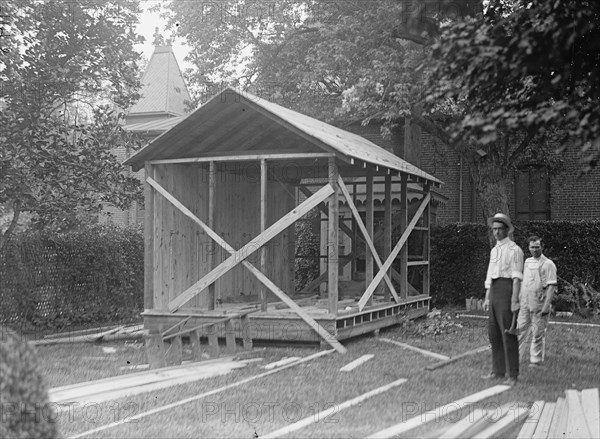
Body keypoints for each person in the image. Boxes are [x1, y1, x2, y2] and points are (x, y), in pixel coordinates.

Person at [482, 213, 524, 386]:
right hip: (494, 292)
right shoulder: (494, 250)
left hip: (507, 291)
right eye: (494, 230)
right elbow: (490, 276)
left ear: (507, 230)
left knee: (508, 333)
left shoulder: (515, 250)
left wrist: (514, 300)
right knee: (494, 334)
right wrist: (487, 298)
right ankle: (497, 371)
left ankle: (512, 375)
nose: (497, 233)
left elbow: (516, 278)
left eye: (500, 229)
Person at [517, 236, 557, 367]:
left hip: (539, 302)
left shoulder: (548, 264)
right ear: (528, 248)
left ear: (542, 247)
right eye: (532, 247)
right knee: (520, 329)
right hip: (525, 301)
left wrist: (546, 306)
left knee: (537, 333)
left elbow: (551, 286)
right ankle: (515, 358)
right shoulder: (527, 261)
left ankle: (536, 361)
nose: (534, 250)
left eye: (537, 247)